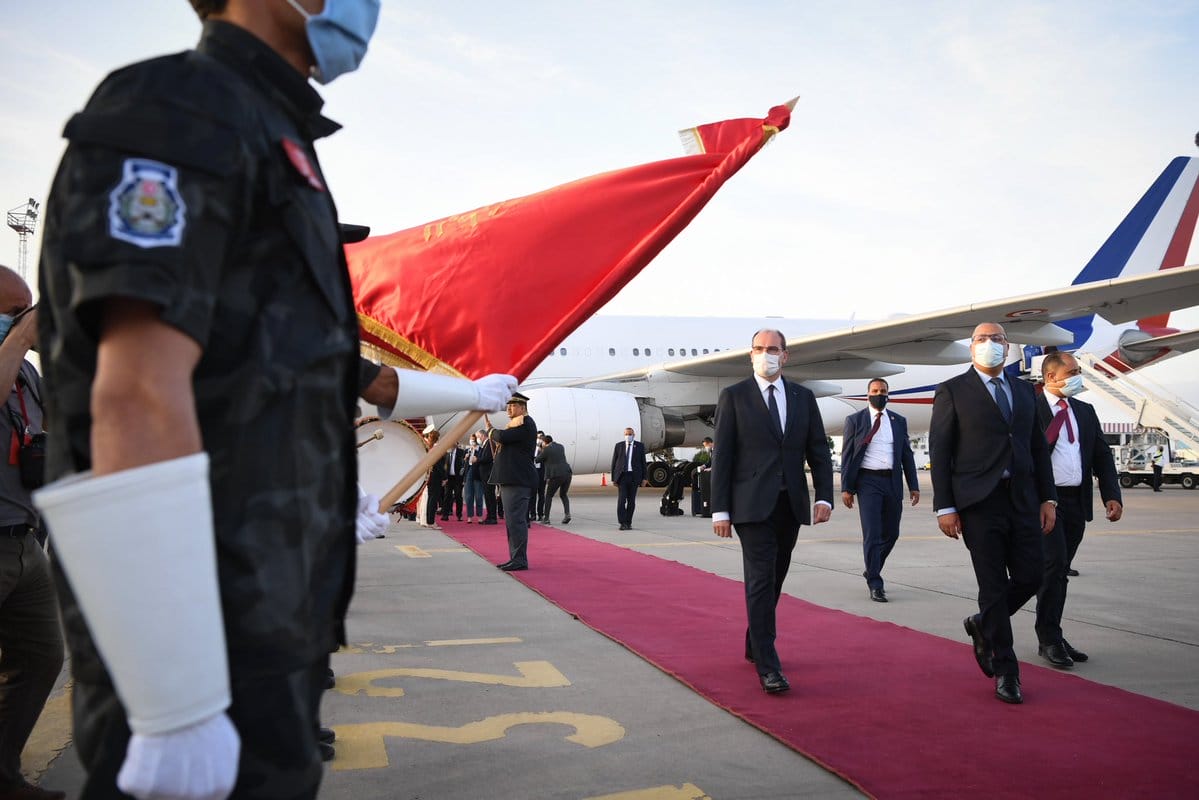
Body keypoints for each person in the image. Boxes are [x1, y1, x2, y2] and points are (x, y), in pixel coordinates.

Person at [30, 3, 509, 797]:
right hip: (202, 641)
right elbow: (135, 397)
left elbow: (285, 394)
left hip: (268, 619)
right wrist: (168, 703)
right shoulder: (179, 108)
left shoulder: (275, 140)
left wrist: (329, 509)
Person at [930, 322, 1057, 705]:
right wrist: (945, 505)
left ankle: (984, 623)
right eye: (983, 340)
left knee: (1033, 575)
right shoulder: (952, 390)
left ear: (1008, 347)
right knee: (991, 584)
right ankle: (1007, 670)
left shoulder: (1023, 390)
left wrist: (1048, 498)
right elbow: (940, 452)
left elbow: (1038, 447)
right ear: (971, 349)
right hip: (978, 503)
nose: (991, 345)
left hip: (1022, 498)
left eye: (998, 339)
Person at [710, 329, 834, 695]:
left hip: (790, 503)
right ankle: (768, 663)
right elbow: (723, 456)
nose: (767, 355)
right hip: (750, 505)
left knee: (776, 577)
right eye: (760, 349)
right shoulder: (734, 397)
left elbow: (818, 449)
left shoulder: (802, 397)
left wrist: (823, 496)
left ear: (786, 356)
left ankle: (754, 640)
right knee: (761, 577)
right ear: (751, 355)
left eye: (773, 349)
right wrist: (720, 511)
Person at [0, 267, 66, 800]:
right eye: (12, 310)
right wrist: (22, 336)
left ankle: (2, 773)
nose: (24, 318)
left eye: (28, 310)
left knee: (41, 655)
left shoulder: (26, 374)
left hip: (23, 540)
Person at [1032, 352, 1122, 668]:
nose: (1078, 376)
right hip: (1044, 502)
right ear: (1050, 377)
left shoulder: (1084, 411)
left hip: (1075, 502)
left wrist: (1112, 495)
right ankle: (1048, 638)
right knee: (1053, 567)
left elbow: (1101, 455)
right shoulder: (1030, 409)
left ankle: (1051, 631)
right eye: (1072, 371)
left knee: (1058, 571)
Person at [839, 378, 920, 602]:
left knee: (892, 534)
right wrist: (847, 488)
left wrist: (913, 485)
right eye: (875, 391)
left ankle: (871, 567)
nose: (879, 394)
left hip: (891, 481)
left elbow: (906, 455)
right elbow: (847, 456)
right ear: (868, 395)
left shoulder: (898, 420)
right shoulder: (855, 420)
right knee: (873, 533)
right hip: (868, 482)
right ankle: (875, 581)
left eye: (883, 391)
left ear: (888, 394)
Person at [489, 393, 538, 571]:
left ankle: (519, 559)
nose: (509, 408)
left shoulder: (525, 423)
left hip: (518, 479)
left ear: (523, 407)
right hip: (512, 479)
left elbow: (502, 437)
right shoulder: (516, 424)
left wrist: (491, 431)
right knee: (512, 521)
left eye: (513, 405)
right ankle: (515, 557)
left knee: (516, 521)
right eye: (508, 405)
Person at [611, 427, 647, 530]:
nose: (628, 436)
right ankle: (622, 522)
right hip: (622, 477)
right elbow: (614, 462)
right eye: (626, 434)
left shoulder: (639, 446)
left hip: (634, 477)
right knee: (621, 501)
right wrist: (614, 478)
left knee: (631, 501)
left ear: (634, 435)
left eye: (630, 434)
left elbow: (643, 463)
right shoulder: (619, 446)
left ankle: (628, 522)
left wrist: (644, 478)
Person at [537, 434, 572, 524]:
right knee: (563, 494)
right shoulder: (561, 447)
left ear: (545, 442)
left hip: (556, 475)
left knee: (548, 495)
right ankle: (567, 514)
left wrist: (541, 450)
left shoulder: (546, 450)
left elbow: (538, 459)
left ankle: (546, 518)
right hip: (567, 473)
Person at [474, 428, 498, 525]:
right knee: (487, 496)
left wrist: (477, 459)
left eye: (478, 437)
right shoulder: (485, 444)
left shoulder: (490, 444)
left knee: (490, 496)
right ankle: (490, 516)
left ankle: (492, 517)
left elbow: (487, 458)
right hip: (484, 474)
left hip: (488, 474)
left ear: (483, 435)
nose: (477, 439)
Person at [440, 439, 466, 522]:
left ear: (456, 443)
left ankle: (459, 515)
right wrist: (444, 478)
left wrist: (463, 479)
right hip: (449, 478)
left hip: (458, 478)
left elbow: (464, 466)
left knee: (458, 496)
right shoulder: (447, 453)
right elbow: (444, 467)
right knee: (447, 496)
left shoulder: (461, 452)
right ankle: (445, 514)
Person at [462, 433, 485, 523]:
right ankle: (469, 516)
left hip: (478, 475)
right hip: (468, 474)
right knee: (468, 496)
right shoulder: (467, 450)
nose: (472, 441)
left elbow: (483, 461)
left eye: (473, 440)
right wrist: (465, 459)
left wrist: (477, 458)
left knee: (479, 496)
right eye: (471, 440)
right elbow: (463, 464)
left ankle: (479, 516)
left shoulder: (481, 450)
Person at [533, 431, 548, 522]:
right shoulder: (532, 448)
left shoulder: (545, 450)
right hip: (534, 473)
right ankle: (532, 513)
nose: (539, 440)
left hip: (542, 474)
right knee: (532, 495)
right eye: (538, 438)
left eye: (541, 438)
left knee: (541, 495)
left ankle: (541, 513)